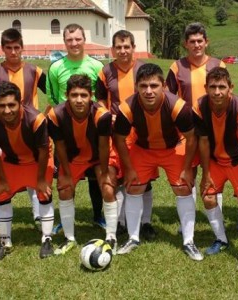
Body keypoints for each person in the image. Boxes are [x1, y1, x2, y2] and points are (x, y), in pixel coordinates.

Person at [113, 63, 200, 260]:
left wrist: (187, 168)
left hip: (173, 147)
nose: (149, 91)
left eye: (154, 85)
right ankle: (133, 238)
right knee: (133, 188)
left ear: (164, 85)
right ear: (136, 87)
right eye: (143, 86)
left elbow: (192, 137)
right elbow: (119, 138)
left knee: (183, 188)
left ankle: (189, 241)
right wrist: (128, 168)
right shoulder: (127, 107)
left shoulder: (178, 106)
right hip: (143, 149)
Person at [0, 81, 55, 261]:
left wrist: (41, 180)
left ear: (20, 103)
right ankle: (5, 242)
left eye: (12, 105)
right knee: (1, 194)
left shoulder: (35, 119)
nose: (7, 111)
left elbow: (44, 151)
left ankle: (47, 239)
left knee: (44, 194)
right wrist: (3, 180)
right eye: (2, 106)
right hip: (11, 161)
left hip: (37, 161)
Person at [193, 67, 238, 274]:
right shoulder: (200, 107)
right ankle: (221, 239)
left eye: (222, 87)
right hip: (214, 161)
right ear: (206, 88)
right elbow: (203, 141)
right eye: (212, 87)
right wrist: (206, 174)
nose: (217, 92)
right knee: (208, 197)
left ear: (230, 87)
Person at [0, 28, 48, 226]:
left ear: (22, 47)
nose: (13, 52)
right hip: (4, 132)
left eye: (16, 47)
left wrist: (45, 115)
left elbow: (52, 96)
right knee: (7, 168)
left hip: (30, 131)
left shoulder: (34, 71)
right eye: (8, 48)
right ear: (2, 49)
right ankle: (5, 208)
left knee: (34, 167)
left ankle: (37, 213)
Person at [47, 75, 119, 255]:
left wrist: (103, 172)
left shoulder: (102, 115)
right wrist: (65, 172)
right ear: (66, 95)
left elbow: (103, 146)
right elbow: (60, 145)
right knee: (64, 187)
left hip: (97, 156)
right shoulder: (56, 114)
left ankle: (111, 237)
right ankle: (69, 238)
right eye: (74, 95)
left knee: (108, 187)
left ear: (91, 96)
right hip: (72, 158)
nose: (79, 100)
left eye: (84, 95)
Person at [95, 30, 156, 240]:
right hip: (116, 133)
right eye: (118, 47)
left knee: (144, 179)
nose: (122, 51)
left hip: (140, 133)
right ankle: (120, 223)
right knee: (118, 177)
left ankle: (146, 222)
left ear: (133, 47)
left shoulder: (142, 69)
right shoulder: (105, 72)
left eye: (126, 46)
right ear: (113, 49)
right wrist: (105, 114)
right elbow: (100, 99)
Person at [47, 23, 106, 232]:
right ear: (64, 42)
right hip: (65, 129)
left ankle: (98, 215)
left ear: (84, 40)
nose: (74, 43)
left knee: (94, 172)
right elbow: (54, 97)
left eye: (78, 39)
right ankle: (65, 218)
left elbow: (101, 97)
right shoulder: (55, 68)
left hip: (90, 128)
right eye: (69, 40)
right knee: (65, 173)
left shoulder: (97, 67)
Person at [165, 22, 226, 214]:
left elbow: (225, 95)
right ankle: (187, 224)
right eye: (192, 41)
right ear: (186, 44)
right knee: (188, 174)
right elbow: (169, 98)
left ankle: (217, 221)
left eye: (200, 41)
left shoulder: (219, 65)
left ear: (206, 42)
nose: (196, 45)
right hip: (187, 131)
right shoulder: (177, 67)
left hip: (213, 129)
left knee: (214, 175)